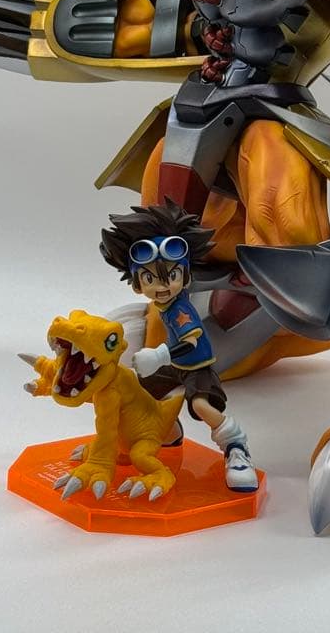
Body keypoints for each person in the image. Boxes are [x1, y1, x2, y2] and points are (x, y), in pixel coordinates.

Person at [100, 199, 258, 492]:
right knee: (138, 392)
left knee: (201, 406)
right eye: (150, 278)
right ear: (137, 284)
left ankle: (236, 448)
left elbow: (191, 341)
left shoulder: (180, 309)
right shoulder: (165, 305)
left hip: (197, 367)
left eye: (171, 276)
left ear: (184, 276)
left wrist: (159, 355)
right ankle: (166, 434)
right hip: (176, 366)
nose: (163, 286)